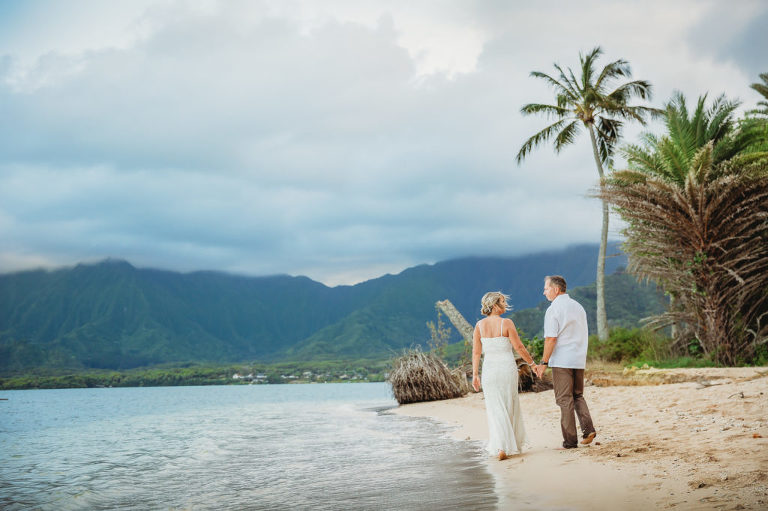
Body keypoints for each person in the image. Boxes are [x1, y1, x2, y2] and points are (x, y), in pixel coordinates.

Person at [472, 291, 537, 460]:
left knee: (495, 408)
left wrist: (475, 375)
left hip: (489, 370)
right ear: (494, 306)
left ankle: (501, 445)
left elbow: (476, 353)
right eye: (502, 302)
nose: (506, 305)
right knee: (509, 404)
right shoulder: (507, 323)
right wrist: (532, 364)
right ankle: (506, 445)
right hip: (506, 369)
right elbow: (519, 347)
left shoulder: (479, 325)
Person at [535, 275, 597, 449]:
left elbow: (551, 339)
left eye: (546, 288)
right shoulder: (578, 306)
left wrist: (544, 362)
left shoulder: (553, 309)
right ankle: (588, 429)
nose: (544, 292)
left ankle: (570, 441)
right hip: (578, 358)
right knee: (577, 395)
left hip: (562, 360)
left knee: (564, 400)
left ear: (556, 289)